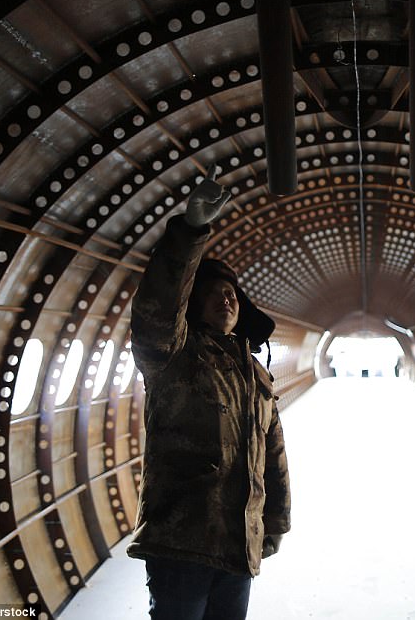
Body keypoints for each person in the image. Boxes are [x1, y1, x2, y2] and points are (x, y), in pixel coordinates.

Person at [126, 170, 291, 620]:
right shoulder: (174, 355)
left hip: (238, 543)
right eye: (214, 293)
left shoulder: (255, 374)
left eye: (232, 294)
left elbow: (272, 450)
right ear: (193, 302)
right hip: (181, 542)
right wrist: (191, 230)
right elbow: (159, 309)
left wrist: (275, 520)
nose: (227, 300)